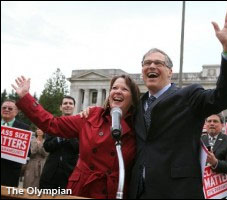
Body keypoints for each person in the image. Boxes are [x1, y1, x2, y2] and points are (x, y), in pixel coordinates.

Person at [129, 4, 227, 199]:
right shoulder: (138, 105)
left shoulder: (189, 96)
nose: (152, 66)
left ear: (170, 71)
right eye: (147, 63)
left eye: (158, 63)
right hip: (139, 192)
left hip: (176, 192)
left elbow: (224, 96)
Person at [12, 74, 140, 198]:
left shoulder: (139, 127)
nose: (118, 91)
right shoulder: (91, 116)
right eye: (114, 88)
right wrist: (26, 97)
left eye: (124, 89)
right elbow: (52, 124)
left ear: (133, 98)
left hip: (113, 192)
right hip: (83, 189)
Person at [39, 96, 79, 189]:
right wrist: (60, 138)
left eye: (70, 103)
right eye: (65, 103)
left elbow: (80, 148)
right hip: (50, 175)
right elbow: (47, 146)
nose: (68, 105)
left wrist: (69, 135)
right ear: (60, 107)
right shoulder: (53, 123)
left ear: (74, 107)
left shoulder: (79, 126)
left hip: (69, 174)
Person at [1, 99, 30, 187]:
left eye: (10, 108)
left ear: (16, 112)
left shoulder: (24, 128)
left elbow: (28, 151)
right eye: (4, 107)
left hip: (11, 173)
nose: (6, 110)